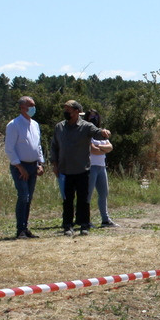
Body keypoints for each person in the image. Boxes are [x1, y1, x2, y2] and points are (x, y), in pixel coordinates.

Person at [49, 100, 108, 235]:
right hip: (65, 170)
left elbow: (97, 132)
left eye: (68, 110)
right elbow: (54, 147)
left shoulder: (86, 126)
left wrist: (104, 132)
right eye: (64, 109)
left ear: (76, 112)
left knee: (83, 199)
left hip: (83, 169)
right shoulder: (59, 127)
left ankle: (84, 225)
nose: (65, 112)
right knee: (67, 200)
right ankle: (68, 225)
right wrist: (55, 165)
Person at [5, 96, 45, 239]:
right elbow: (9, 148)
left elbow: (38, 145)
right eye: (30, 105)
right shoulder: (13, 125)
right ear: (22, 107)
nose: (33, 108)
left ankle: (25, 227)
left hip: (33, 166)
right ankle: (20, 229)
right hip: (19, 166)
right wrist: (19, 166)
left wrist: (40, 163)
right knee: (23, 196)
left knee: (29, 198)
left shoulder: (35, 124)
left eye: (34, 105)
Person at [85, 109, 118, 228]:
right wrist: (102, 148)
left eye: (96, 116)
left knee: (104, 193)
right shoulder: (86, 132)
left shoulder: (101, 133)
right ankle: (86, 220)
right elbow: (92, 149)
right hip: (90, 166)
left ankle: (105, 219)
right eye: (91, 116)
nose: (94, 119)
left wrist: (99, 147)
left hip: (101, 166)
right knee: (88, 194)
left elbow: (110, 147)